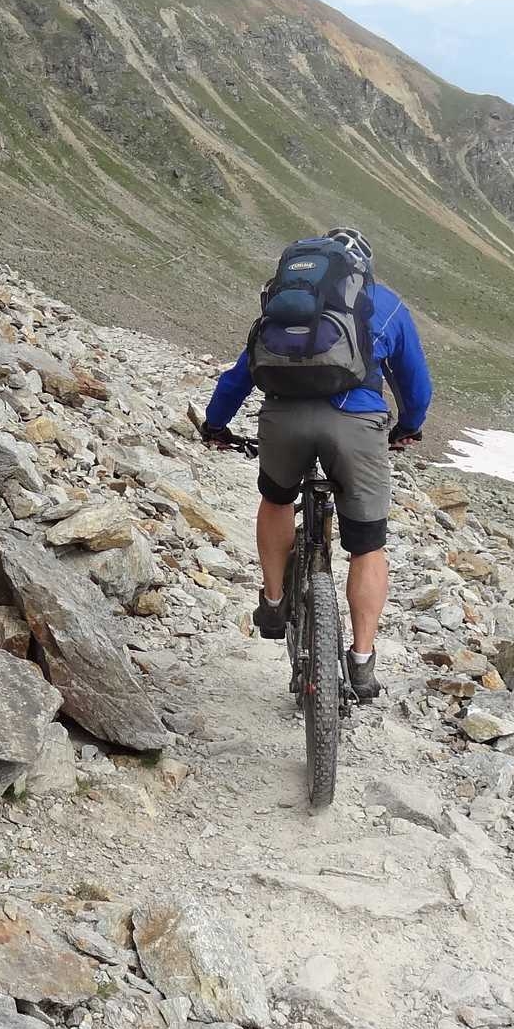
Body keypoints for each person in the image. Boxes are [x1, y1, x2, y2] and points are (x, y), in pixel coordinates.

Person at [199, 227, 431, 701]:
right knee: (367, 546)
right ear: (363, 267)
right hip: (356, 425)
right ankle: (361, 662)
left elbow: (243, 373)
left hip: (283, 419)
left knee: (277, 498)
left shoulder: (287, 301)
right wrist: (408, 427)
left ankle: (273, 601)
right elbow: (415, 384)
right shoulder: (383, 303)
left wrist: (216, 425)